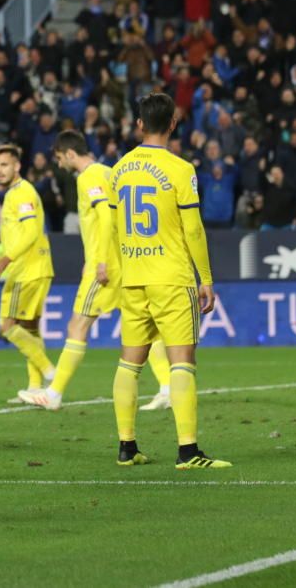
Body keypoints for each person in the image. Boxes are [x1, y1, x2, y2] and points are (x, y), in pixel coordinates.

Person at [109, 92, 230, 469]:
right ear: (174, 124)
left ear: (140, 124)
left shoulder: (119, 169)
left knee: (130, 362)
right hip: (171, 277)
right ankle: (187, 451)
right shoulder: (180, 169)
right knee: (182, 361)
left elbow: (114, 229)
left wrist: (121, 272)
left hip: (133, 278)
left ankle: (127, 447)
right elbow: (193, 230)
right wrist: (205, 278)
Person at [20, 131, 171, 411]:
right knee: (146, 327)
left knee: (77, 325)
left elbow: (104, 216)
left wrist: (99, 259)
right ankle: (167, 387)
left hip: (106, 267)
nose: (60, 164)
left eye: (59, 158)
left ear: (69, 154)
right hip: (125, 262)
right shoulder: (108, 172)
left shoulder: (89, 176)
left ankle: (53, 393)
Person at [0, 144, 56, 402]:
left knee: (7, 326)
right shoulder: (17, 192)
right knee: (31, 329)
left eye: (5, 164)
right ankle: (36, 389)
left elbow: (30, 232)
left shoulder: (21, 193)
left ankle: (50, 372)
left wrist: (6, 258)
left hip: (25, 270)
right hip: (36, 268)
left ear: (17, 166)